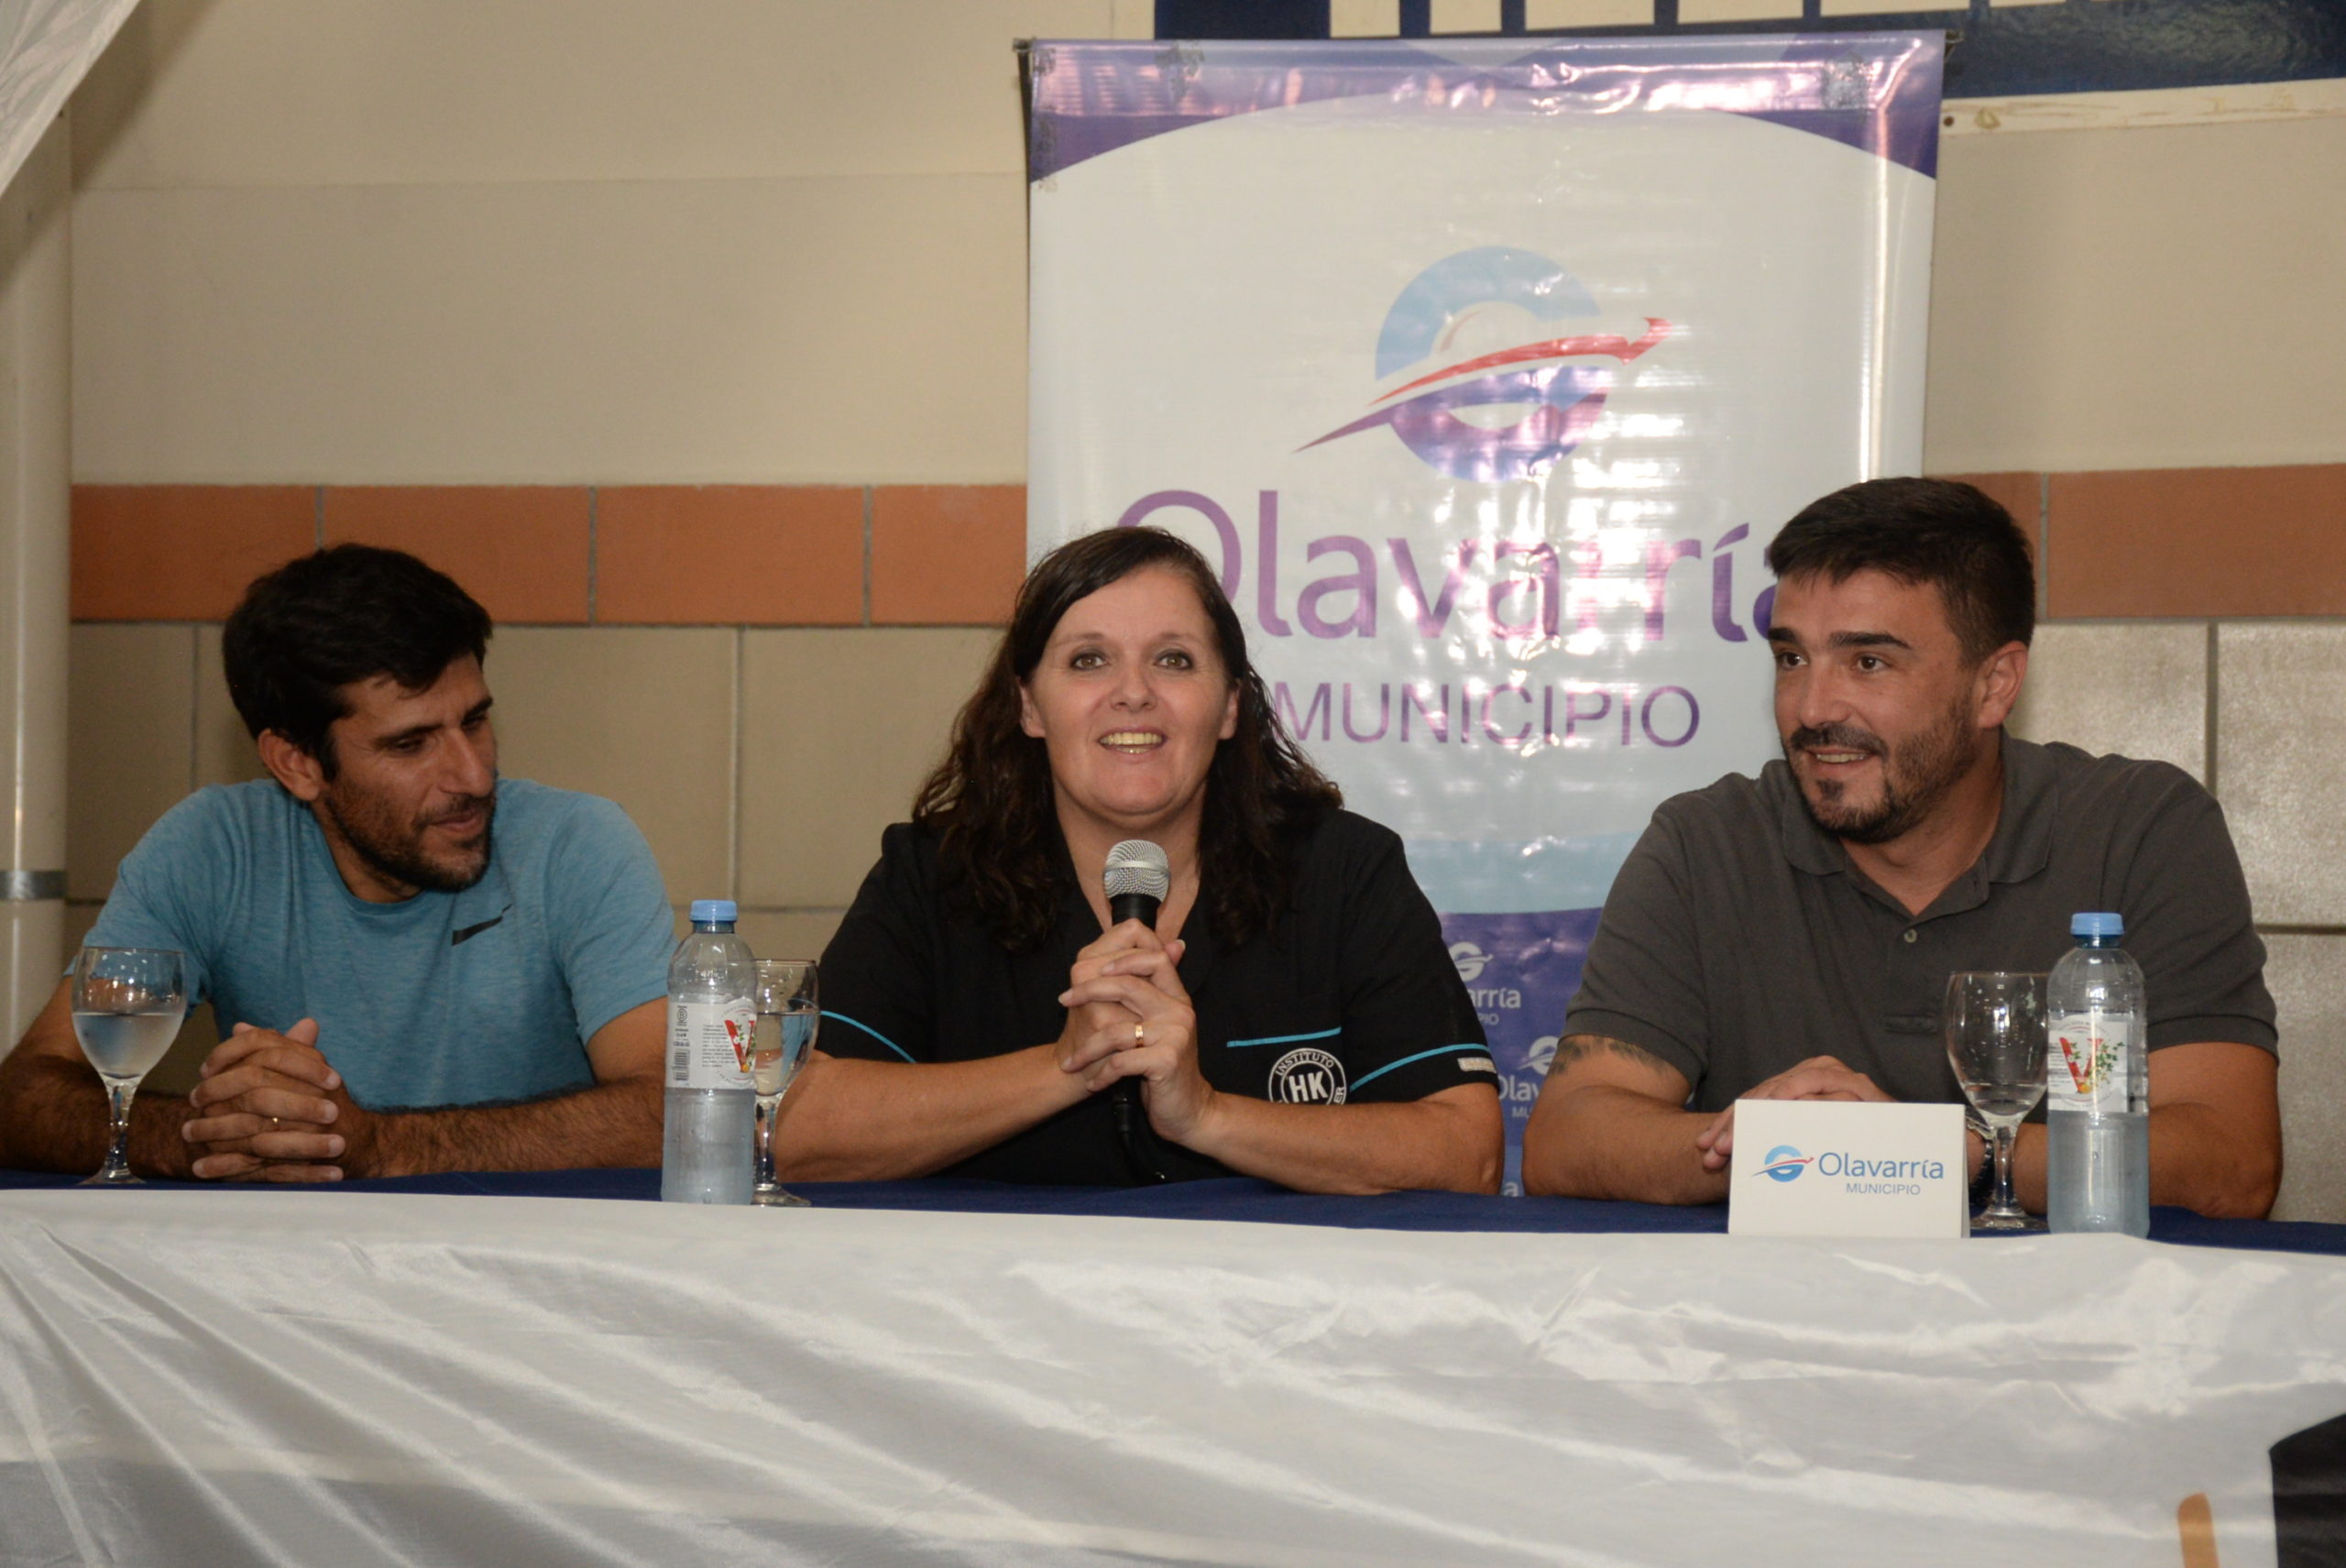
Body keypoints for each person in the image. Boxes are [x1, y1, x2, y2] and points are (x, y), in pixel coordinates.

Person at [1520, 477, 2280, 1216]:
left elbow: (2232, 1160)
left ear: (1995, 684)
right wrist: (1775, 1149)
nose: (1812, 708)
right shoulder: (1707, 843)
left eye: (1868, 662)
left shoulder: (2139, 829)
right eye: (1792, 658)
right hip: (1776, 1301)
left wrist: (1923, 1155)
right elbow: (1565, 1138)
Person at [776, 526, 1501, 1191]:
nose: (1132, 693)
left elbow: (1466, 1152)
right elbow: (794, 1131)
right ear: (1030, 706)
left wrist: (1208, 1114)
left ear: (1229, 706)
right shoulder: (933, 875)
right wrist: (1066, 1064)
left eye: (1173, 659)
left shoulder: (1344, 870)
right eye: (1088, 660)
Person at [0, 545, 675, 1181]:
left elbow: (674, 1112)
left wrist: (378, 1146)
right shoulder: (213, 848)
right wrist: (209, 1137)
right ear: (297, 763)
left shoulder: (578, 845)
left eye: (473, 721)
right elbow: (24, 1095)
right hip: (290, 1262)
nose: (472, 776)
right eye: (410, 745)